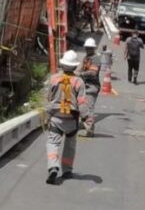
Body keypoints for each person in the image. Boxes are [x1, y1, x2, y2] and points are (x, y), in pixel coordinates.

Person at [45, 49, 90, 185]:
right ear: (75, 66)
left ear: (63, 65)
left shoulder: (54, 78)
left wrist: (47, 115)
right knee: (70, 146)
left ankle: (53, 166)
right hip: (71, 119)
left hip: (56, 117)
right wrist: (86, 117)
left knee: (52, 143)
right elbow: (82, 102)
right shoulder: (79, 82)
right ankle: (67, 171)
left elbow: (49, 98)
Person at [77, 38, 100, 137]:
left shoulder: (95, 59)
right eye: (86, 48)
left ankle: (90, 130)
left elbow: (93, 73)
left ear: (93, 48)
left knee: (89, 108)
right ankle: (83, 125)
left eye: (89, 48)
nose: (87, 50)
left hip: (92, 86)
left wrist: (81, 74)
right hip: (84, 86)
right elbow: (80, 68)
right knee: (82, 107)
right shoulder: (86, 57)